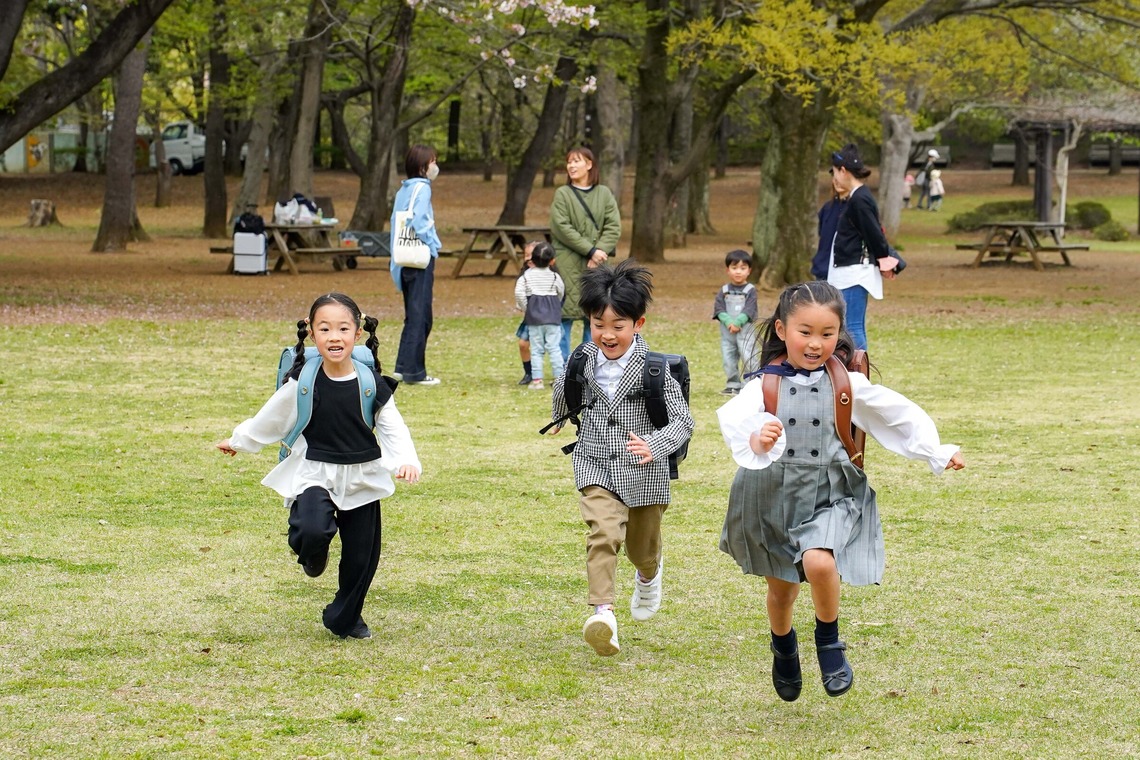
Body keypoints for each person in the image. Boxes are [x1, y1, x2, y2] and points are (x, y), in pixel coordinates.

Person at [717, 281, 964, 701]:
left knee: (819, 561)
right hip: (771, 495)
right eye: (805, 332)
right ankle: (783, 648)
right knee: (781, 591)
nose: (816, 343)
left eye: (827, 334)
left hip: (829, 491)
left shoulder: (846, 383)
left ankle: (829, 641)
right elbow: (737, 427)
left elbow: (896, 413)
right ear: (781, 330)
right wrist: (759, 439)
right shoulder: (763, 386)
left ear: (839, 334)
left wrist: (934, 451)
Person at [216, 293, 422, 640]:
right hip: (314, 471)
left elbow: (392, 427)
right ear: (312, 333)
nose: (334, 336)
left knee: (360, 559)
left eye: (343, 328)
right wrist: (240, 440)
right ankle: (312, 554)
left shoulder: (371, 384)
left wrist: (406, 460)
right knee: (311, 529)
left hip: (362, 475)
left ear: (357, 333)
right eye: (325, 328)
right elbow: (273, 416)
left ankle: (346, 618)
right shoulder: (304, 382)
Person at [548, 260, 694, 657]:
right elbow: (564, 386)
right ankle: (603, 612)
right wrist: (559, 416)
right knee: (603, 534)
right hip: (594, 459)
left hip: (644, 470)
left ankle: (649, 574)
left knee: (640, 551)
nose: (607, 334)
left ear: (638, 324)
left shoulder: (655, 370)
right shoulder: (582, 357)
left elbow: (683, 422)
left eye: (617, 326)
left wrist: (655, 444)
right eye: (599, 324)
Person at [550, 146, 621, 363]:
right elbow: (561, 226)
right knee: (565, 315)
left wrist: (599, 252)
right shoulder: (563, 194)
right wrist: (589, 250)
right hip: (567, 262)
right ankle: (563, 367)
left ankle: (589, 364)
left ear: (589, 165)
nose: (571, 166)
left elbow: (613, 226)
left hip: (597, 263)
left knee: (595, 315)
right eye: (569, 162)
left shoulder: (604, 193)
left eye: (576, 161)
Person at [826, 143, 899, 351]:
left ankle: (859, 373)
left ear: (843, 170)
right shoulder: (855, 197)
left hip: (855, 271)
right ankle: (856, 372)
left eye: (835, 171)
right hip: (848, 269)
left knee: (852, 326)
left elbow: (874, 233)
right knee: (850, 325)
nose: (834, 178)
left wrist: (885, 261)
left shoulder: (860, 199)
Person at [390, 145, 443, 385]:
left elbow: (397, 221)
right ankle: (415, 372)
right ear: (423, 166)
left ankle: (403, 366)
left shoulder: (404, 189)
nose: (435, 166)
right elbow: (420, 220)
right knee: (421, 317)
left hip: (403, 259)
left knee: (413, 315)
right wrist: (432, 244)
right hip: (419, 259)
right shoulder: (422, 188)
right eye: (433, 161)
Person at [514, 241, 565, 390]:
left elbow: (519, 293)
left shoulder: (526, 277)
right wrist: (555, 305)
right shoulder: (555, 277)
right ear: (552, 261)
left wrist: (526, 307)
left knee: (536, 350)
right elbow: (561, 292)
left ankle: (537, 380)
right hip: (553, 318)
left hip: (534, 318)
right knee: (555, 348)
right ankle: (558, 379)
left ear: (532, 259)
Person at [713, 249, 759, 395]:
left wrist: (738, 323)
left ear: (749, 271)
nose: (738, 272)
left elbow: (750, 309)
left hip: (745, 331)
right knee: (729, 358)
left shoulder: (750, 290)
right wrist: (729, 323)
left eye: (742, 268)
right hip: (728, 332)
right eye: (734, 268)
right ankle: (732, 384)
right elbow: (719, 309)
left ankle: (750, 384)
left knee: (748, 356)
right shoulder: (724, 290)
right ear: (728, 270)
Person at [514, 241, 538, 385]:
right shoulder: (524, 275)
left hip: (547, 316)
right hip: (530, 316)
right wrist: (522, 306)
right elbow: (519, 293)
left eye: (533, 255)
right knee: (523, 344)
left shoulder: (551, 274)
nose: (529, 258)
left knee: (551, 347)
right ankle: (528, 372)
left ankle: (557, 374)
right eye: (526, 255)